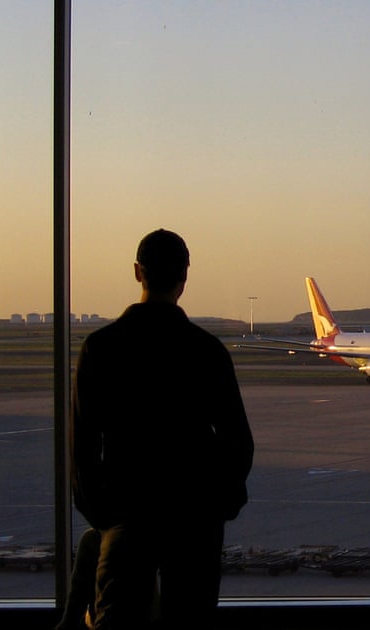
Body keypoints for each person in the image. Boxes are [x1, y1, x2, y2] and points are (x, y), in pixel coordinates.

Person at [71, 229, 254, 629]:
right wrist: (217, 507)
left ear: (138, 272)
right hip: (194, 519)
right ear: (184, 277)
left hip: (127, 513)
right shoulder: (206, 350)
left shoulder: (100, 348)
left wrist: (104, 517)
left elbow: (84, 446)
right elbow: (238, 443)